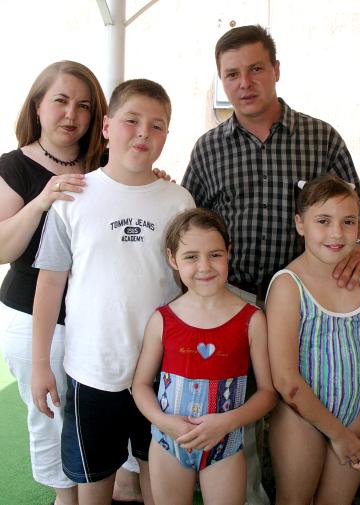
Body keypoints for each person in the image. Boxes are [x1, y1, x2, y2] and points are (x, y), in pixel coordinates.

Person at [181, 24, 360, 504]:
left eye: (255, 69)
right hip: (236, 303)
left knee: (300, 405)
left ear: (276, 71)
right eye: (231, 74)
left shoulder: (320, 136)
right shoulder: (208, 149)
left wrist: (359, 252)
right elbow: (189, 220)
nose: (244, 82)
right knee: (238, 420)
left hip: (308, 303)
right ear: (221, 80)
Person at [31, 78, 195, 505]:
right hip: (92, 370)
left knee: (157, 481)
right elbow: (50, 283)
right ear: (106, 126)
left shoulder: (178, 201)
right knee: (94, 483)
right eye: (131, 120)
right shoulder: (73, 198)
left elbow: (193, 285)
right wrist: (39, 365)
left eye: (157, 126)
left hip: (163, 371)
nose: (143, 133)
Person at [0, 60, 107, 505]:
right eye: (60, 101)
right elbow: (3, 248)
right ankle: (65, 497)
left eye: (83, 106)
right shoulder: (13, 165)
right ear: (38, 106)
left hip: (92, 314)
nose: (71, 114)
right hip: (30, 314)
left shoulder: (104, 165)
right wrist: (43, 199)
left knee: (91, 415)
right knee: (48, 413)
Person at [132, 208, 277, 505]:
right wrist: (164, 421)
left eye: (215, 254)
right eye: (191, 257)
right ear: (172, 259)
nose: (204, 266)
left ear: (229, 252)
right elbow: (141, 385)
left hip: (225, 444)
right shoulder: (163, 319)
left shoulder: (252, 319)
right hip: (169, 441)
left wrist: (226, 423)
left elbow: (267, 393)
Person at [265, 174, 360, 505]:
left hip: (355, 414)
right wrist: (339, 435)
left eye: (348, 222)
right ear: (300, 224)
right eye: (323, 221)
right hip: (299, 418)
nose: (337, 233)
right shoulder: (289, 286)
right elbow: (286, 380)